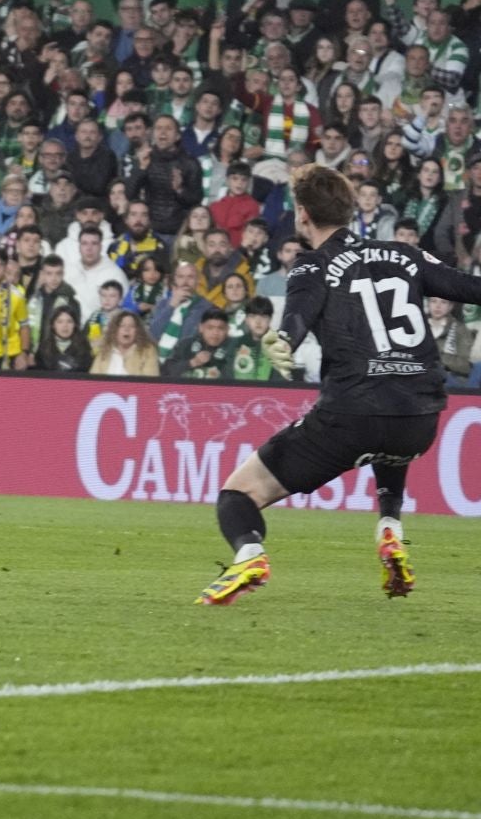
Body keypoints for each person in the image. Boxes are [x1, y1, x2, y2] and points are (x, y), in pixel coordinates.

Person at [198, 166, 481, 607]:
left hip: (352, 416)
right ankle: (391, 528)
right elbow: (469, 287)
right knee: (390, 428)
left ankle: (250, 554)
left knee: (239, 493)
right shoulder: (404, 253)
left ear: (303, 215)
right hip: (421, 418)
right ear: (350, 210)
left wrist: (284, 339)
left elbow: (299, 312)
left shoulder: (313, 263)